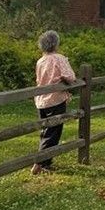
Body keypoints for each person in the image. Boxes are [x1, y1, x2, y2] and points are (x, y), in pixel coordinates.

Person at [32, 30, 76, 175]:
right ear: (56, 43)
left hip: (41, 100)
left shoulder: (40, 60)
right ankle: (40, 162)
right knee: (53, 132)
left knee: (44, 131)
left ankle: (45, 162)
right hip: (55, 99)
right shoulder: (59, 58)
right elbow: (70, 77)